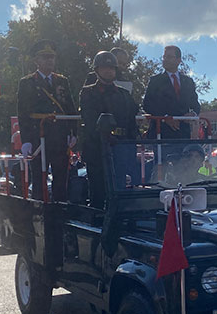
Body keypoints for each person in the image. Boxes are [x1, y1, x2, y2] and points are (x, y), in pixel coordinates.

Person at [17, 39, 78, 201]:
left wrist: (73, 132)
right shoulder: (27, 82)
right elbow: (23, 114)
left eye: (51, 57)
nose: (49, 60)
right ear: (36, 61)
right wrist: (26, 140)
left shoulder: (62, 81)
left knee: (61, 180)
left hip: (59, 137)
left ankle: (60, 215)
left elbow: (70, 108)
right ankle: (39, 215)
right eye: (45, 57)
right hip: (39, 137)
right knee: (39, 180)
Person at [79, 51, 140, 207]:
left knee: (119, 189)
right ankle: (97, 224)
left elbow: (131, 123)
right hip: (97, 148)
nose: (108, 71)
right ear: (97, 70)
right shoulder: (88, 93)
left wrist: (131, 146)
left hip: (120, 148)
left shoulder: (124, 95)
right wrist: (105, 137)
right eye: (104, 68)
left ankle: (120, 222)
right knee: (98, 190)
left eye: (111, 68)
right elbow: (90, 120)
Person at [142, 45, 200, 139]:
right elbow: (147, 105)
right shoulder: (155, 81)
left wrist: (193, 114)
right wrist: (165, 118)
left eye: (169, 57)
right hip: (160, 132)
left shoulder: (188, 82)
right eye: (164, 57)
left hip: (182, 133)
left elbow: (195, 104)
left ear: (178, 60)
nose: (165, 60)